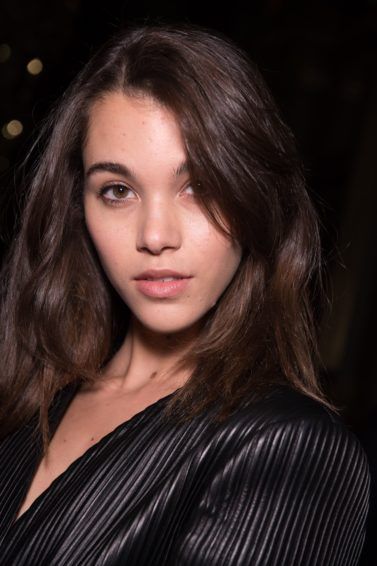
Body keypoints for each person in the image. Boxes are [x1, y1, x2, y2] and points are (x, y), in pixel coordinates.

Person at [0, 22, 370, 565]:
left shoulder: (288, 449)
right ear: (78, 208)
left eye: (199, 186)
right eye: (118, 190)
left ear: (255, 199)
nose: (155, 236)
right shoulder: (26, 398)